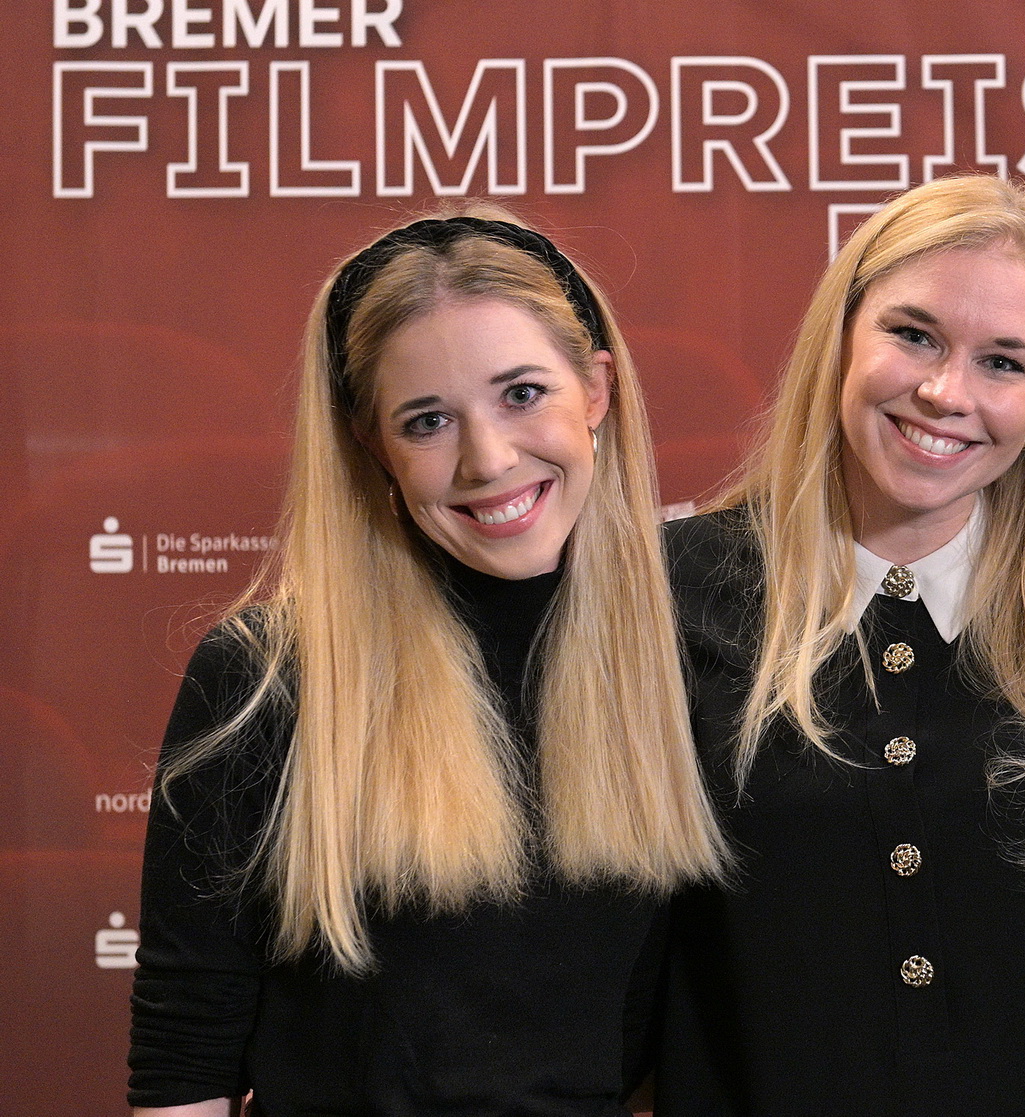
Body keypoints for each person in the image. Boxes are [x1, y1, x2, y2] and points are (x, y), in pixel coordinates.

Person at [127, 212, 726, 1116]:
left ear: (596, 389)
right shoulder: (265, 679)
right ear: (372, 443)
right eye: (428, 420)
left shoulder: (696, 653)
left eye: (522, 393)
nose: (489, 459)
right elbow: (185, 1053)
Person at [654, 174, 1025, 1116]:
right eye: (914, 335)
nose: (945, 393)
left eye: (1003, 362)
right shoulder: (672, 589)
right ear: (842, 335)